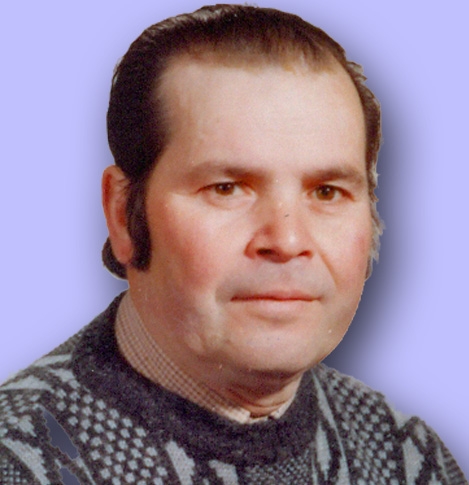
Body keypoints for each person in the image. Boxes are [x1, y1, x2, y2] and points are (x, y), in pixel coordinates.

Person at [0, 4, 466, 484]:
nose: (287, 240)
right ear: (122, 215)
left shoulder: (407, 459)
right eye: (226, 188)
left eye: (327, 192)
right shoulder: (21, 463)